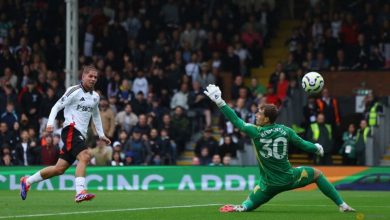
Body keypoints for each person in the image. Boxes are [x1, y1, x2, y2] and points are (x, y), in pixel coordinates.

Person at [203, 84, 355, 213]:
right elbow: (303, 144)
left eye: (260, 113)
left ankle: (241, 207)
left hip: (268, 185)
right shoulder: (286, 131)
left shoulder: (256, 132)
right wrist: (316, 148)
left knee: (248, 205)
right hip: (290, 178)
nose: (256, 115)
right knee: (317, 174)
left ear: (267, 118)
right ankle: (342, 205)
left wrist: (220, 102)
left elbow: (236, 121)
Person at [20, 65, 111, 203]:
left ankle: (27, 181)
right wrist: (50, 123)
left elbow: (96, 115)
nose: (93, 79)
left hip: (80, 134)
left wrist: (101, 134)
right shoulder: (74, 91)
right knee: (85, 156)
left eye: (95, 77)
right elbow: (56, 106)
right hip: (71, 130)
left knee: (59, 169)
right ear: (83, 76)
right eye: (90, 76)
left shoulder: (95, 97)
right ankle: (80, 191)